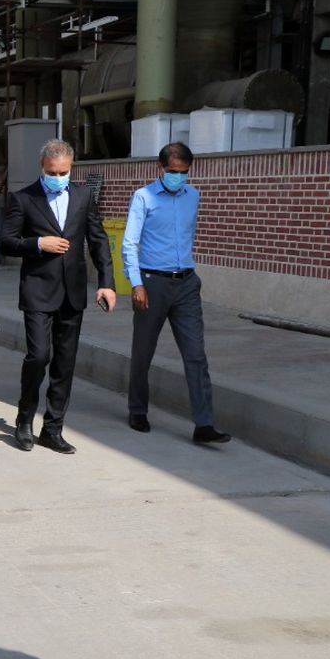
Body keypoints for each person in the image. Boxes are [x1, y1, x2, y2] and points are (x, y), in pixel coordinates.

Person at [0, 138, 116, 454]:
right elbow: (6, 241)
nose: (58, 177)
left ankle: (53, 429)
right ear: (42, 167)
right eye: (52, 172)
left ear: (71, 168)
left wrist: (106, 282)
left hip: (72, 294)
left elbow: (98, 239)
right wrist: (38, 244)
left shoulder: (83, 196)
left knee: (65, 362)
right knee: (39, 356)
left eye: (64, 172)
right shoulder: (23, 199)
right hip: (38, 291)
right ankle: (24, 420)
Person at [123, 142, 231, 445]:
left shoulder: (193, 196)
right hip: (152, 283)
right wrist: (136, 284)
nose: (178, 177)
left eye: (184, 172)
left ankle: (204, 424)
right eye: (173, 171)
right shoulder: (143, 197)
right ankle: (137, 410)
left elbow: (188, 234)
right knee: (143, 351)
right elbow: (129, 243)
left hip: (186, 284)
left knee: (196, 354)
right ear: (160, 168)